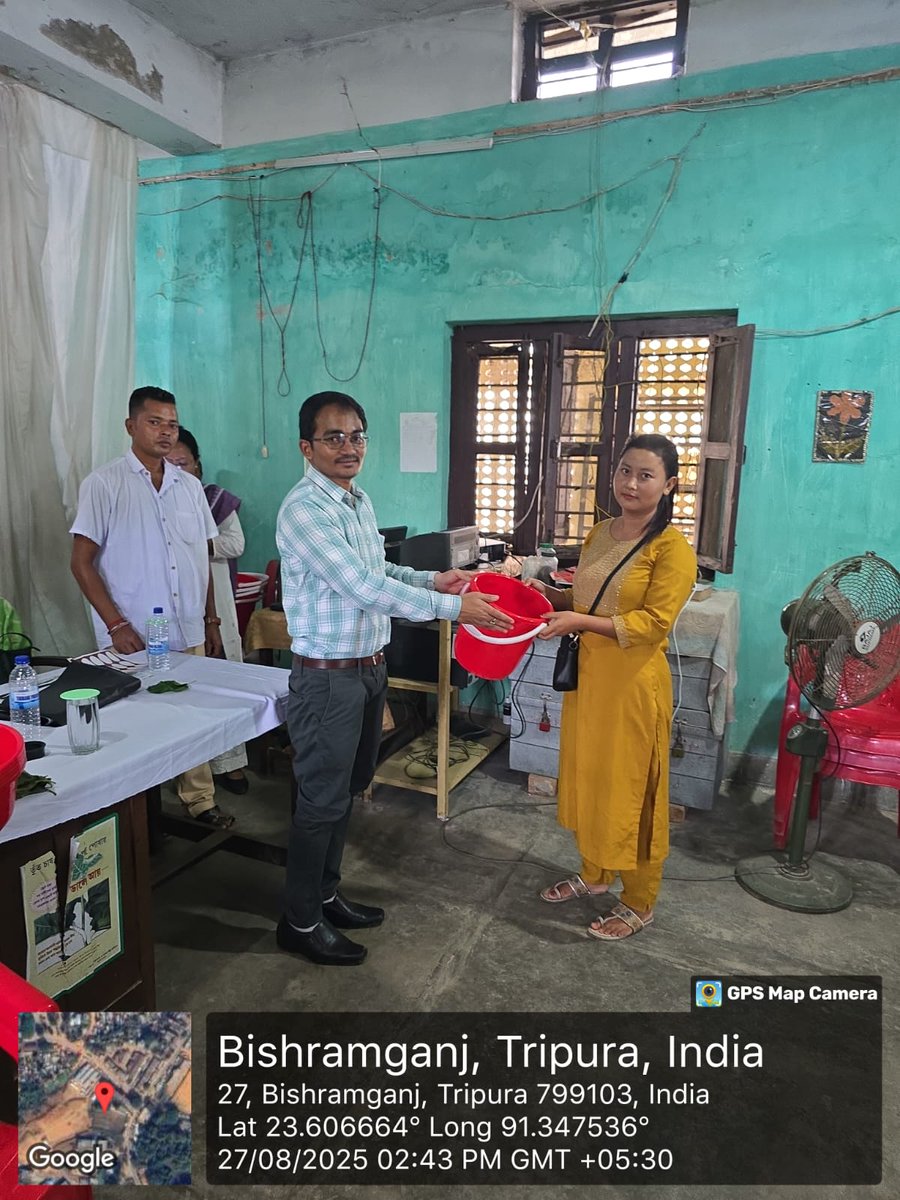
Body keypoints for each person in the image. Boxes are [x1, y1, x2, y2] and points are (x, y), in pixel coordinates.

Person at [275, 390, 513, 966]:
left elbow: (379, 567)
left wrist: (436, 580)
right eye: (334, 437)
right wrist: (457, 611)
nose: (348, 447)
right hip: (328, 679)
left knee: (347, 791)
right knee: (320, 801)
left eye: (357, 435)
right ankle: (299, 921)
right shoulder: (305, 509)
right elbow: (361, 587)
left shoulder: (356, 501)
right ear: (307, 447)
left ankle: (326, 895)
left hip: (366, 670)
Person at [527, 434, 696, 941]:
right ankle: (595, 873)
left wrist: (578, 618)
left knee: (633, 789)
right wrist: (548, 592)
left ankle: (640, 901)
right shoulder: (601, 532)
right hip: (590, 680)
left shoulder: (672, 549)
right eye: (625, 470)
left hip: (633, 686)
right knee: (590, 776)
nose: (630, 483)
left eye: (646, 475)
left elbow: (651, 623)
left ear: (669, 486)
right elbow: (591, 600)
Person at [69, 386, 234, 828]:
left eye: (172, 423)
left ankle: (198, 799)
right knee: (138, 720)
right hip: (132, 633)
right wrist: (116, 623)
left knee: (191, 716)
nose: (166, 431)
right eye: (155, 421)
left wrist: (211, 618)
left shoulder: (190, 487)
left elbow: (200, 557)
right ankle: (134, 811)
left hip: (187, 627)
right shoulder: (104, 484)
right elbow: (80, 563)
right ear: (131, 426)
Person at [167, 428, 249, 795]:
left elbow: (235, 543)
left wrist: (199, 542)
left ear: (197, 466)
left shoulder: (214, 500)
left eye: (182, 463)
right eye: (168, 463)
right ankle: (188, 775)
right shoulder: (159, 505)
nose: (176, 469)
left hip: (217, 600)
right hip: (178, 605)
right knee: (187, 693)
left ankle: (230, 766)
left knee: (225, 682)